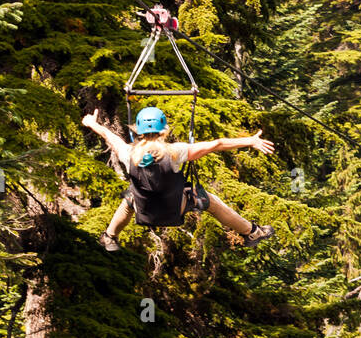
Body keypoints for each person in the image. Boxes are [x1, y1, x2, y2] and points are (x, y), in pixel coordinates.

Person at [82, 107, 275, 251]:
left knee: (129, 199)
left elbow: (110, 137)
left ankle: (110, 236)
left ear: (137, 131)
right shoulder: (176, 152)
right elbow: (218, 144)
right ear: (164, 130)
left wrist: (92, 123)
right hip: (174, 209)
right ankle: (252, 232)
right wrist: (250, 140)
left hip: (145, 212)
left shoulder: (128, 153)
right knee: (210, 201)